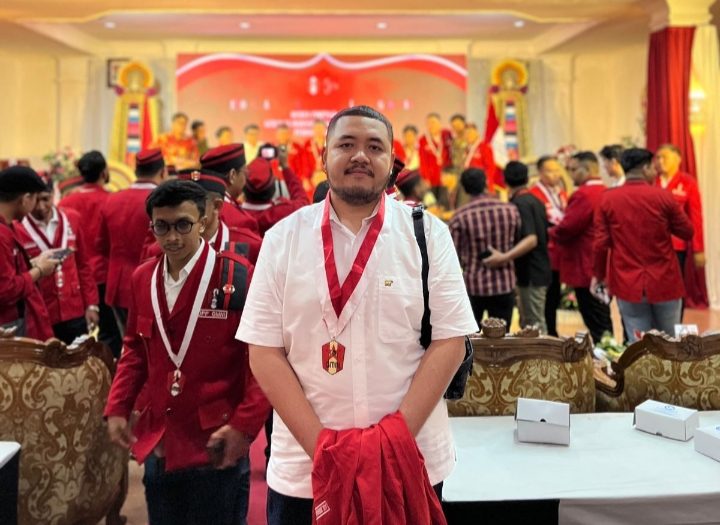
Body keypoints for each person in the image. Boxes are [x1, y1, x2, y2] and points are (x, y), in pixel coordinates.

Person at [237, 105, 477, 524]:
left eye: (375, 147)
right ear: (323, 156)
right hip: (306, 468)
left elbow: (450, 341)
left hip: (410, 460)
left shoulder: (428, 235)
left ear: (391, 161)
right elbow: (264, 351)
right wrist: (325, 450)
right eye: (346, 145)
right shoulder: (283, 239)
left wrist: (391, 444)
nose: (360, 156)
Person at [105, 180, 269, 525]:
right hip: (161, 437)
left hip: (217, 438)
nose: (172, 237)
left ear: (203, 221)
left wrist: (244, 425)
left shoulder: (236, 276)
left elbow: (263, 358)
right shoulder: (143, 278)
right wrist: (118, 406)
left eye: (183, 225)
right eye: (162, 227)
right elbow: (134, 349)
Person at [593, 148, 693, 342]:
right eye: (653, 167)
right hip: (665, 280)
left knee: (638, 344)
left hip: (627, 282)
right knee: (670, 342)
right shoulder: (663, 196)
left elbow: (600, 244)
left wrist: (598, 275)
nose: (655, 172)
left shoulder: (608, 199)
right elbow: (687, 231)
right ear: (646, 168)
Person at [15, 177, 99, 344]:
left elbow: (83, 265)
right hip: (41, 313)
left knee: (77, 357)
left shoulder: (72, 219)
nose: (40, 206)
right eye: (36, 200)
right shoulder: (18, 227)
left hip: (74, 309)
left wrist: (91, 304)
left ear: (53, 194)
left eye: (46, 199)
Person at [97, 148, 167, 334]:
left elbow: (102, 245)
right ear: (163, 172)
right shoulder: (162, 201)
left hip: (116, 285)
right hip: (149, 285)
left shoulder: (112, 199)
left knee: (126, 342)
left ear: (136, 171)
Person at [60, 151, 122, 355]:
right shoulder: (112, 200)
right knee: (109, 333)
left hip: (74, 277)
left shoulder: (66, 203)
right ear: (104, 173)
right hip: (104, 274)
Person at [550, 152, 612, 344]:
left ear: (586, 169)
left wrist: (548, 231)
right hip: (600, 262)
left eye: (574, 169)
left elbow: (567, 228)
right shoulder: (605, 190)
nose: (570, 174)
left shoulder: (583, 194)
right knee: (601, 313)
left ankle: (606, 352)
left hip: (584, 263)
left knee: (594, 316)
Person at [140, 170, 263, 264]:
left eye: (197, 202)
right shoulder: (160, 249)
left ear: (217, 205)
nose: (185, 209)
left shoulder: (250, 246)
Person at [483, 161, 551, 333]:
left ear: (505, 181)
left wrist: (503, 257)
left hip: (531, 272)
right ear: (527, 178)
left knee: (533, 326)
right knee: (531, 322)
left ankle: (539, 353)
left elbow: (531, 239)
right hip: (539, 268)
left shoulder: (520, 203)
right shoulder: (536, 200)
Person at [450, 167, 519, 330]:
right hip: (504, 284)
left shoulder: (460, 217)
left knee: (472, 336)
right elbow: (516, 242)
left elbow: (453, 255)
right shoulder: (510, 210)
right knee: (502, 335)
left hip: (474, 286)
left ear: (465, 189)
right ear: (486, 183)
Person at [0, 166, 59, 339]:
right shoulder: (2, 234)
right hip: (7, 323)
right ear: (26, 199)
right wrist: (39, 271)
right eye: (35, 199)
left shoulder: (9, 226)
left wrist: (33, 263)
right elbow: (6, 290)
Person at [654, 144, 705, 285]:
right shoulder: (651, 182)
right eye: (658, 158)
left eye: (665, 157)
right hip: (652, 245)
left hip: (676, 245)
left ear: (677, 159)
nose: (660, 161)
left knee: (675, 284)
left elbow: (695, 217)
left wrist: (698, 249)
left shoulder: (688, 183)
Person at [529, 155, 568, 336]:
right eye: (550, 171)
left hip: (560, 252)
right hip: (544, 253)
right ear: (540, 172)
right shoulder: (534, 194)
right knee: (545, 298)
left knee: (554, 296)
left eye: (557, 170)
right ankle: (548, 333)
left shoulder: (561, 193)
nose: (555, 174)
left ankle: (552, 331)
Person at [241, 152, 310, 236]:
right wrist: (285, 167)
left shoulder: (235, 215)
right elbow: (303, 202)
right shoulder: (283, 212)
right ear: (272, 188)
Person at [200, 144, 261, 235]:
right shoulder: (242, 221)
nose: (247, 176)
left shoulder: (195, 206)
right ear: (232, 175)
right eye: (245, 171)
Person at [418, 113, 452, 208]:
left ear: (439, 123)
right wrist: (425, 178)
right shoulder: (423, 140)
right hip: (431, 180)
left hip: (445, 178)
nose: (431, 125)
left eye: (433, 122)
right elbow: (423, 161)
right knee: (432, 206)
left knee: (445, 205)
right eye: (428, 123)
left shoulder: (447, 136)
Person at [303, 119, 327, 188]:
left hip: (327, 176)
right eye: (316, 128)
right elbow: (304, 162)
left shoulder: (330, 142)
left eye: (320, 128)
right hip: (312, 177)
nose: (318, 130)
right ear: (313, 130)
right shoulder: (308, 144)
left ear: (325, 129)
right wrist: (305, 178)